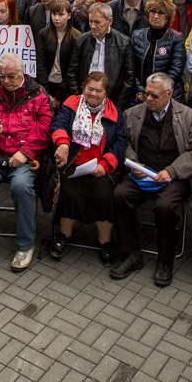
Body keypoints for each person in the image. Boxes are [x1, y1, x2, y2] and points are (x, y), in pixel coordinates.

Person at [109, 73, 192, 286]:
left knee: (165, 206)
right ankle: (130, 253)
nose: (148, 99)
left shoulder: (188, 116)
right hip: (142, 174)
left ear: (169, 95)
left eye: (154, 95)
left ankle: (165, 260)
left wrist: (172, 170)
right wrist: (133, 163)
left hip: (173, 177)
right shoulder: (132, 113)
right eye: (146, 94)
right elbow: (123, 144)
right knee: (119, 194)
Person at [0, 52, 52, 272]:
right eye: (2, 76)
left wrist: (26, 152)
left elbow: (45, 128)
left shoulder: (38, 94)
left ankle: (25, 245)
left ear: (22, 73)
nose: (6, 81)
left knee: (22, 186)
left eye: (12, 76)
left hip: (22, 157)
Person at [45, 71, 125, 263]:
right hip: (73, 164)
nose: (93, 94)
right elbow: (58, 124)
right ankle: (63, 236)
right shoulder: (70, 105)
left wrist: (106, 165)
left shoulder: (115, 113)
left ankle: (104, 242)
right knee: (69, 192)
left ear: (106, 92)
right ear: (83, 88)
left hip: (100, 168)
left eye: (99, 90)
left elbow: (121, 143)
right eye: (90, 89)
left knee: (104, 194)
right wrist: (63, 143)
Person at [68, 2, 134, 107]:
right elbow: (72, 73)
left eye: (97, 22)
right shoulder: (81, 41)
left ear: (110, 21)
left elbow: (129, 79)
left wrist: (117, 106)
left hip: (112, 101)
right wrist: (78, 99)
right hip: (83, 100)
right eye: (90, 22)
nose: (93, 26)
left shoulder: (123, 42)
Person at [130, 0, 184, 103]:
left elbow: (176, 71)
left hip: (167, 96)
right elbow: (132, 68)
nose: (155, 16)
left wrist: (155, 93)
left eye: (161, 13)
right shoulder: (137, 35)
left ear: (167, 16)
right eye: (152, 11)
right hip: (140, 95)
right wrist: (143, 92)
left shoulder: (176, 38)